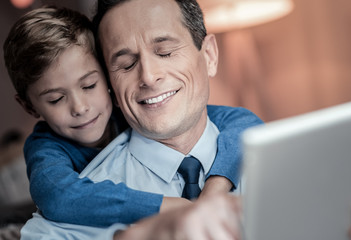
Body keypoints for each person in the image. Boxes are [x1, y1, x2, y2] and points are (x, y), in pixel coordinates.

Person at [3, 3, 262, 234]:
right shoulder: (47, 154)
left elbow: (240, 120)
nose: (80, 108)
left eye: (165, 52)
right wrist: (167, 213)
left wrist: (214, 191)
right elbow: (58, 197)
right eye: (126, 65)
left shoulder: (254, 147)